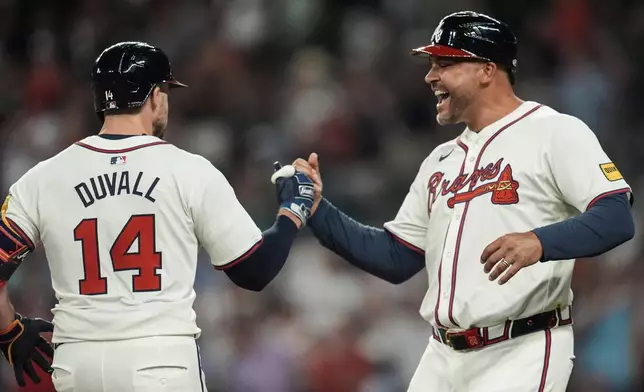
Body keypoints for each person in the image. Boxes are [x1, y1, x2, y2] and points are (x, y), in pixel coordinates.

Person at [281, 11, 635, 392]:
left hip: (522, 348)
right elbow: (395, 257)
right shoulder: (440, 160)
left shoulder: (554, 132)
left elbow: (615, 217)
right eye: (432, 65)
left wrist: (540, 241)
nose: (430, 76)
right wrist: (316, 210)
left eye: (445, 64)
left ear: (486, 70)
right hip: (442, 354)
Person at [0, 41, 315, 392]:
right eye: (165, 91)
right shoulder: (189, 170)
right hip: (161, 362)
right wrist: (293, 213)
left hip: (78, 365)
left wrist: (10, 333)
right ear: (154, 96)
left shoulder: (42, 178)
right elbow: (254, 271)